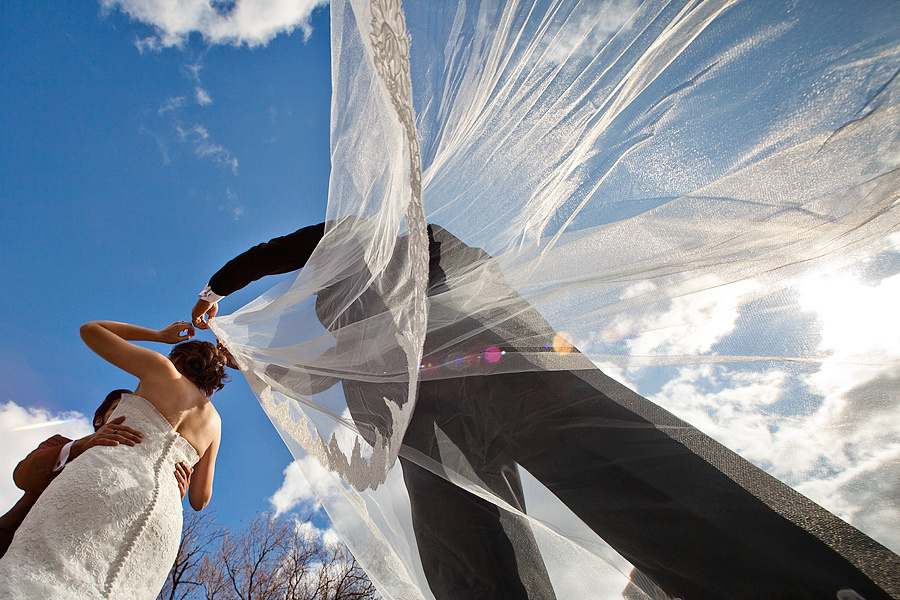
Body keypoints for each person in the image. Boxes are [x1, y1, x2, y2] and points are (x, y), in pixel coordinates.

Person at [192, 222, 899, 600]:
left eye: (335, 300)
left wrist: (219, 288)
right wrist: (242, 358)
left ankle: (794, 584)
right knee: (456, 532)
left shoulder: (388, 239)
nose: (335, 311)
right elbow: (325, 373)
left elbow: (283, 248)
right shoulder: (360, 350)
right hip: (413, 397)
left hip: (477, 340)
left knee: (598, 453)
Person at [0, 320, 228, 600]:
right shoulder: (214, 421)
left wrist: (159, 336)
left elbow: (90, 330)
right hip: (164, 520)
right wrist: (173, 485)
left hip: (109, 480)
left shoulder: (162, 370)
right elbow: (199, 500)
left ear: (178, 357)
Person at [0, 389, 194, 559]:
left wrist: (170, 496)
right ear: (99, 419)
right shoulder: (62, 444)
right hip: (11, 548)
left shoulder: (147, 477)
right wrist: (81, 446)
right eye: (117, 408)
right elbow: (22, 475)